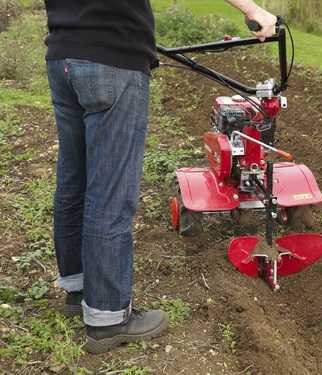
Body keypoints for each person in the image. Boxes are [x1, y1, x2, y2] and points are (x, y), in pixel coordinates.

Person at [44, 0, 277, 354]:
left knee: (74, 182)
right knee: (110, 193)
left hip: (62, 56)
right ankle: (108, 318)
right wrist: (252, 10)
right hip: (111, 59)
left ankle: (79, 292)